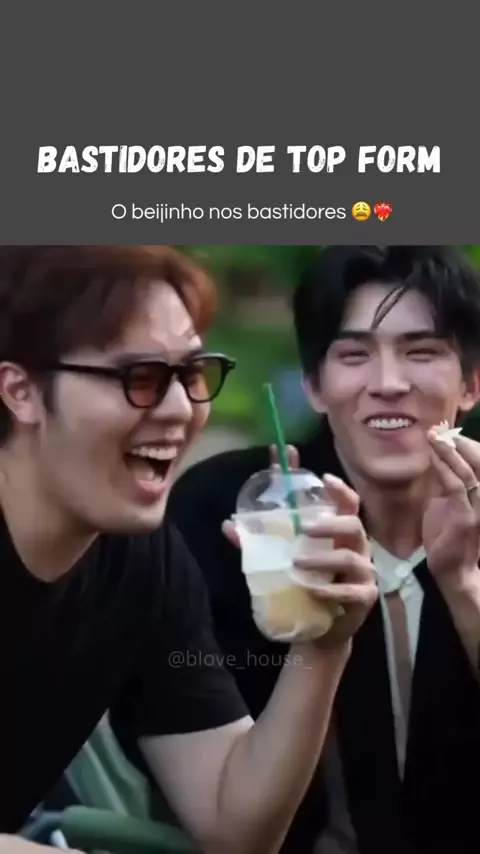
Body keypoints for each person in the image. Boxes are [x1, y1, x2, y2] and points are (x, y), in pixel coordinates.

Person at [0, 247, 376, 854]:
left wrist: (323, 642)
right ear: (20, 391)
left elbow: (235, 826)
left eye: (193, 374)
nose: (181, 410)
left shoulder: (143, 560)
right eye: (140, 378)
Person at [169, 245, 480, 854]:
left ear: (471, 383)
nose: (388, 384)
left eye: (421, 352)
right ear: (313, 385)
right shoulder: (232, 515)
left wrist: (464, 585)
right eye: (354, 355)